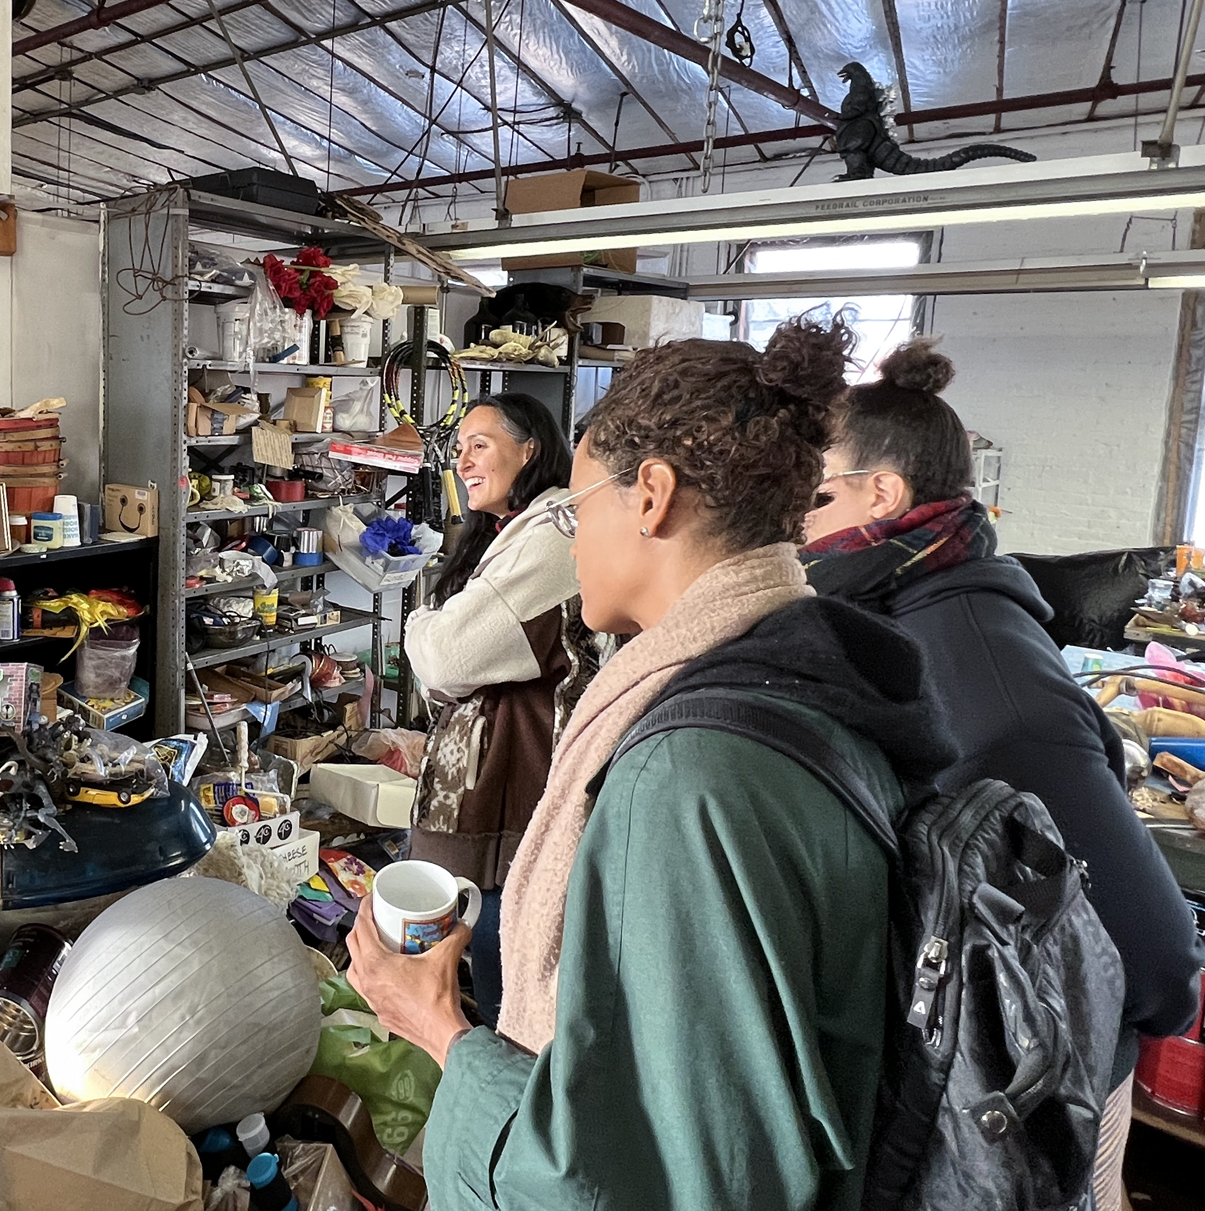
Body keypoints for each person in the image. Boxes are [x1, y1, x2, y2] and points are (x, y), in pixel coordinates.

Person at [349, 317, 956, 1210]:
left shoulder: (687, 776)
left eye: (577, 508)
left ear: (652, 498)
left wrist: (440, 1029)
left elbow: (668, 1176)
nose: (571, 540)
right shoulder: (807, 679)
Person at [801, 337, 1202, 1211]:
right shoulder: (895, 616)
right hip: (964, 1075)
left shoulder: (986, 684)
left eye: (813, 491)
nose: (792, 515)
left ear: (882, 494)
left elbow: (1159, 956)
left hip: (1031, 1096)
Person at [404, 394, 596, 1026]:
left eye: (479, 445)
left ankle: (495, 1068)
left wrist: (419, 626)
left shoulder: (551, 535)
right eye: (459, 448)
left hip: (516, 783)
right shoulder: (512, 531)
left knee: (503, 964)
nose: (462, 461)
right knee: (486, 951)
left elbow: (446, 659)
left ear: (529, 449)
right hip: (498, 782)